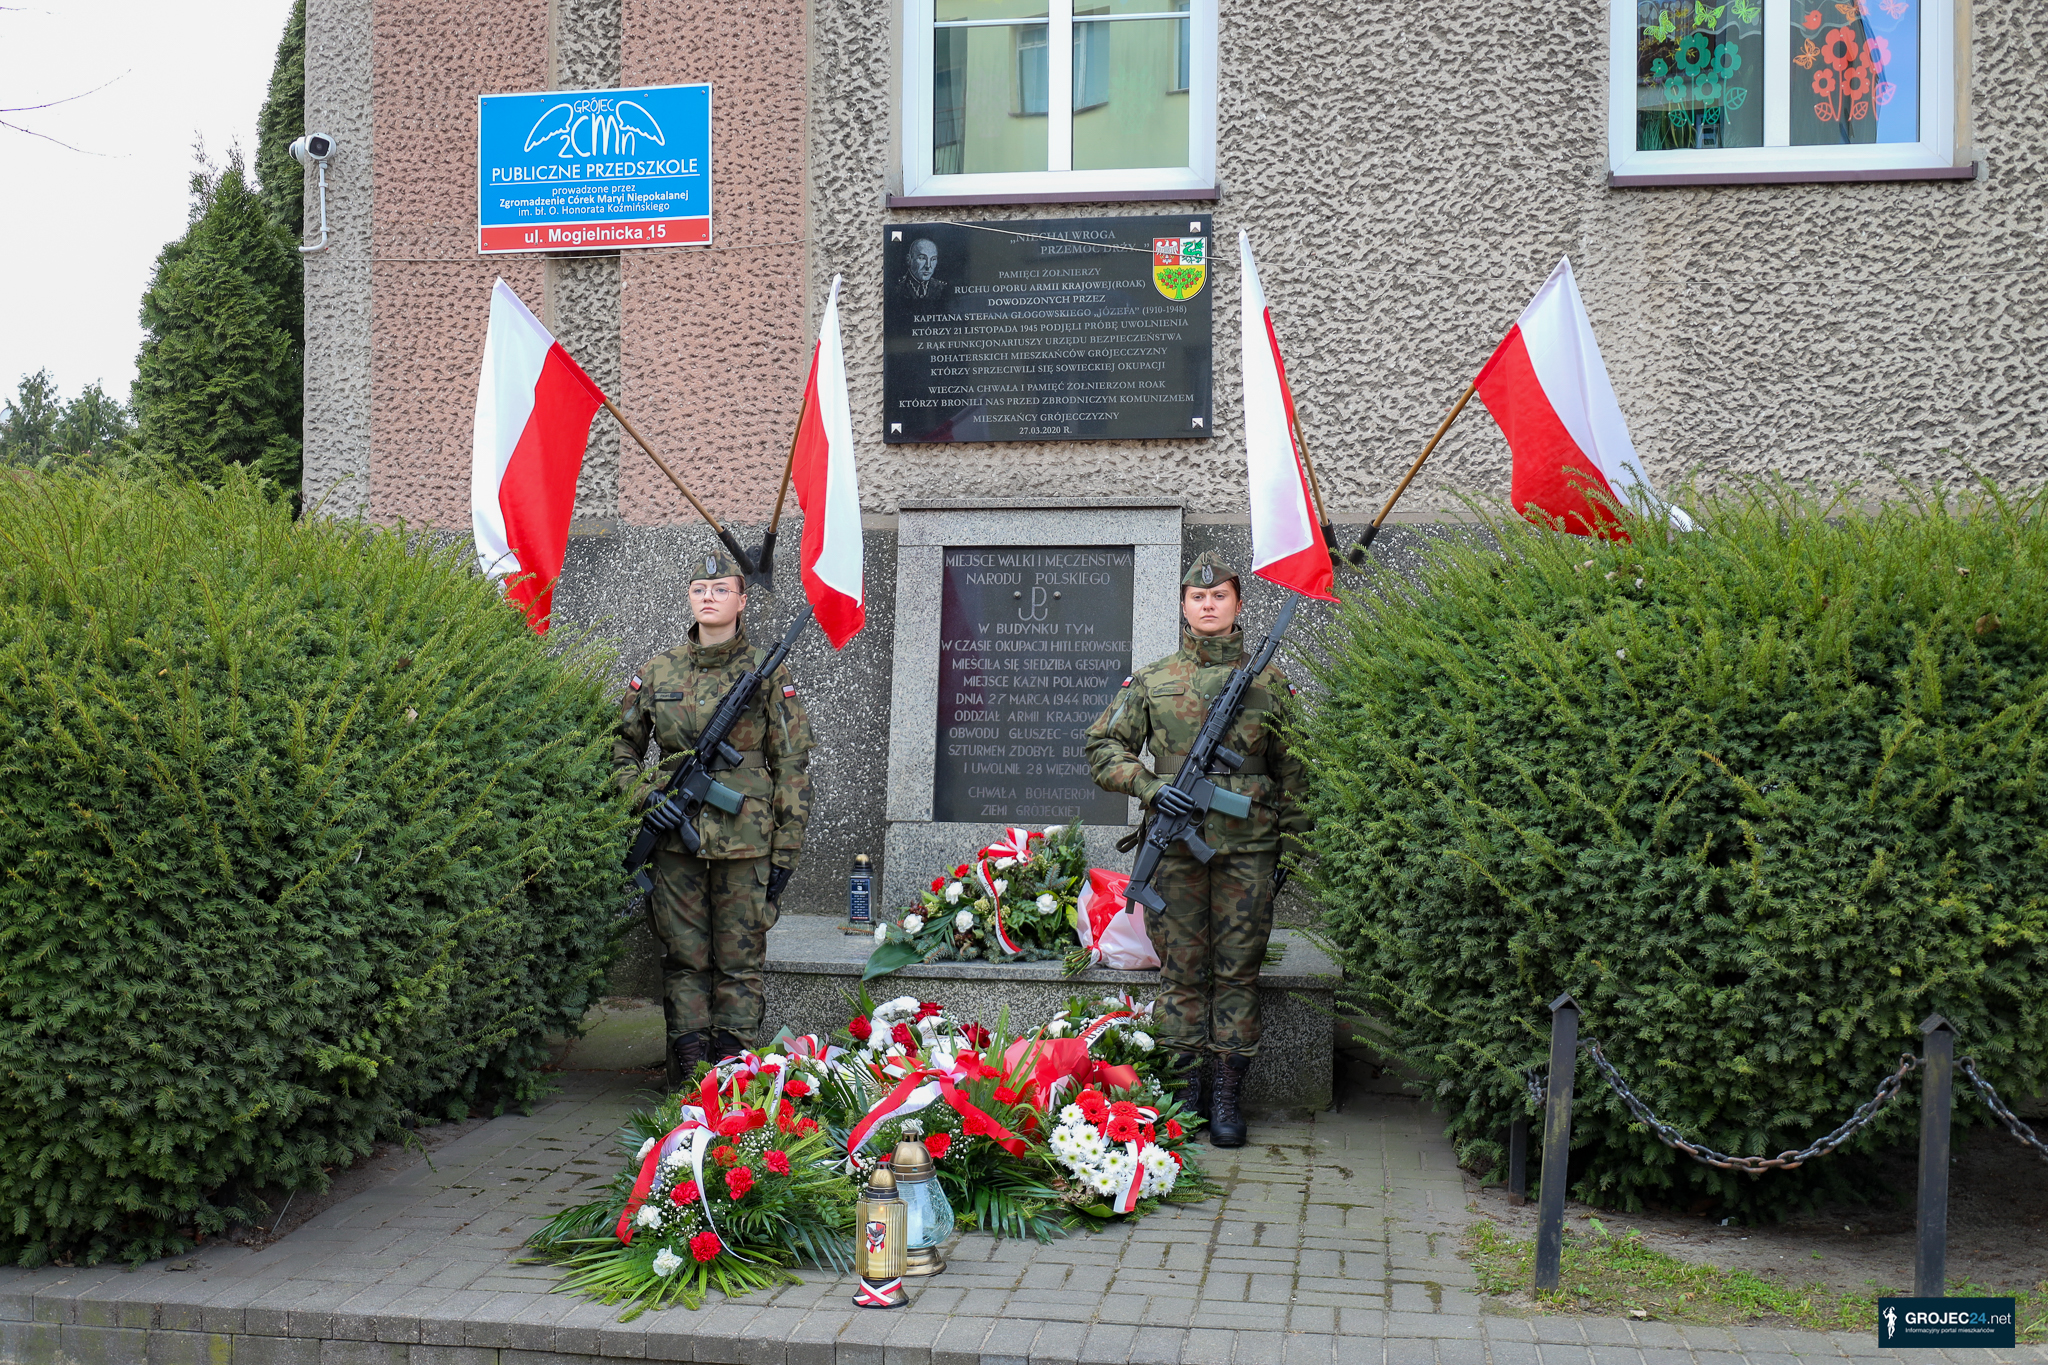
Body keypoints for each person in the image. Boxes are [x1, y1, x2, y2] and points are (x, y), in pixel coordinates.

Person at [1083, 551, 1307, 1147]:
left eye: (1220, 596)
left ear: (1237, 603)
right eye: (1197, 598)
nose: (1208, 606)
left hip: (1249, 851)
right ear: (1184, 606)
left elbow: (1298, 772)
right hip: (1178, 853)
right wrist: (1153, 787)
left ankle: (1228, 1094)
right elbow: (1102, 747)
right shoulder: (1154, 681)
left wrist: (1297, 843)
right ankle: (1183, 1093)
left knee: (1239, 971)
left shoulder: (1269, 684)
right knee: (1181, 972)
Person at [614, 548, 814, 1087]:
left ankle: (733, 1079)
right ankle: (689, 1075)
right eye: (700, 590)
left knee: (740, 962)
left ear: (742, 601)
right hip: (673, 843)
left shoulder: (767, 675)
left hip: (747, 843)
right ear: (689, 598)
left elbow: (792, 765)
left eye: (721, 590)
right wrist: (644, 795)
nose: (709, 597)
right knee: (683, 959)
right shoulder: (657, 671)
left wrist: (786, 852)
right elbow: (620, 750)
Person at [895, 238, 951, 308]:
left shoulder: (942, 288)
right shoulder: (897, 288)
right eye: (922, 258)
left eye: (933, 259)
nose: (928, 266)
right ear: (909, 260)